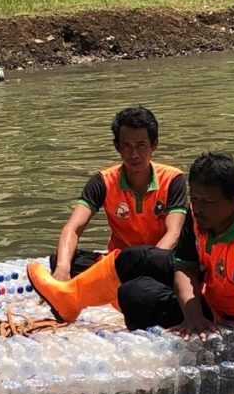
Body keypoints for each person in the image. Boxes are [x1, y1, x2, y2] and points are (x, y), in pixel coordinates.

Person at [26, 152, 234, 394]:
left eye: (208, 202)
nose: (198, 208)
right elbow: (185, 267)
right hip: (207, 283)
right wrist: (191, 312)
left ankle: (86, 299)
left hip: (223, 316)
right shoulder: (199, 215)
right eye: (195, 198)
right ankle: (69, 299)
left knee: (132, 293)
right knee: (132, 258)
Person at [47, 105, 187, 282]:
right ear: (117, 147)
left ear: (154, 145)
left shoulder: (173, 179)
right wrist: (62, 269)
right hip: (122, 261)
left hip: (161, 258)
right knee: (60, 259)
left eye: (141, 145)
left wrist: (149, 265)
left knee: (184, 268)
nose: (134, 154)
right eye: (126, 146)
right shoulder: (102, 181)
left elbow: (174, 234)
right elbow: (73, 228)